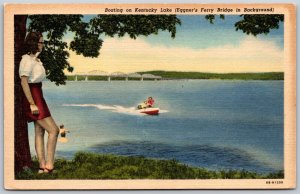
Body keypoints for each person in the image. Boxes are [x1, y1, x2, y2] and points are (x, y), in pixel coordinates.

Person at [19, 31, 59, 174]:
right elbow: (24, 82)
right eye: (40, 42)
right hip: (33, 96)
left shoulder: (36, 59)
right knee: (54, 130)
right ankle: (49, 165)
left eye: (42, 42)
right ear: (33, 43)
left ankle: (42, 166)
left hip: (38, 94)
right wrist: (32, 103)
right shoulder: (27, 60)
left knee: (39, 131)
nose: (42, 44)